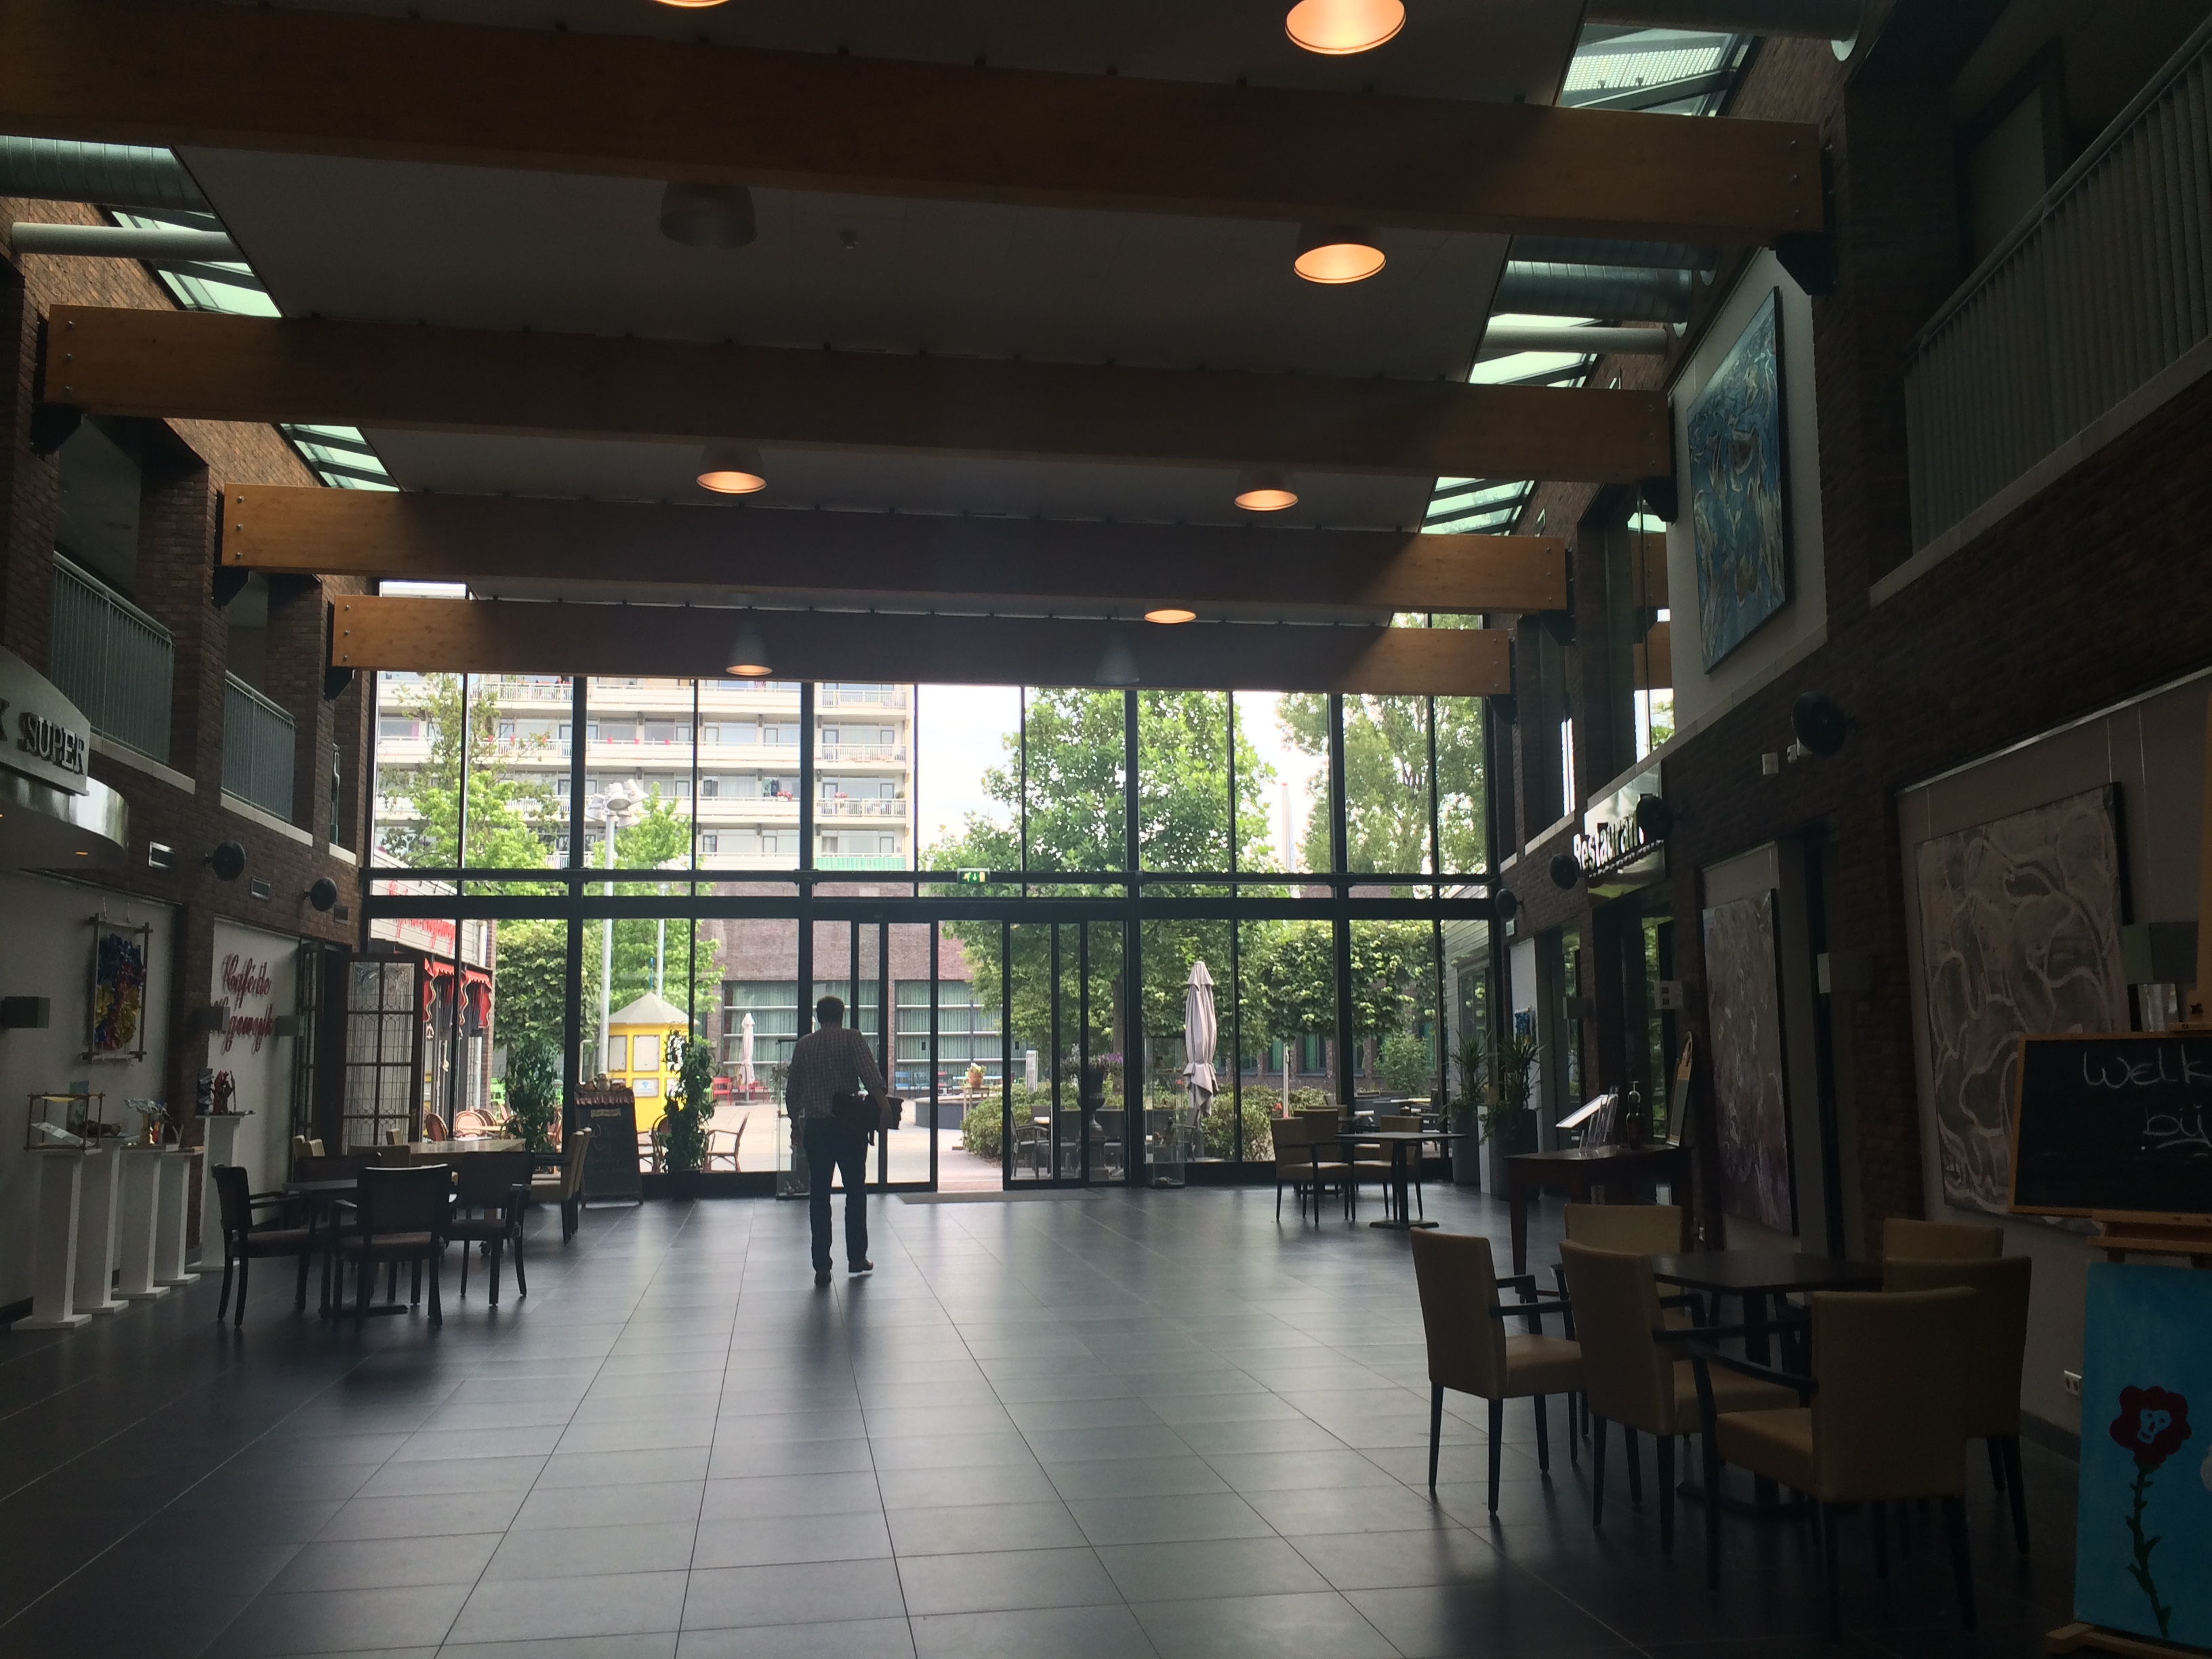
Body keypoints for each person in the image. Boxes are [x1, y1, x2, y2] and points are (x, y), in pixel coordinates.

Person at [783, 994, 887, 1286]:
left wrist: (795, 1124)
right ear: (842, 1015)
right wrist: (885, 1108)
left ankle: (821, 1266)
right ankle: (856, 1257)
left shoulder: (804, 1045)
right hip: (849, 1126)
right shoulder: (852, 1038)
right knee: (855, 1192)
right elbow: (871, 1077)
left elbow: (793, 1091)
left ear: (818, 1017)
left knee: (819, 1197)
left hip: (817, 1129)